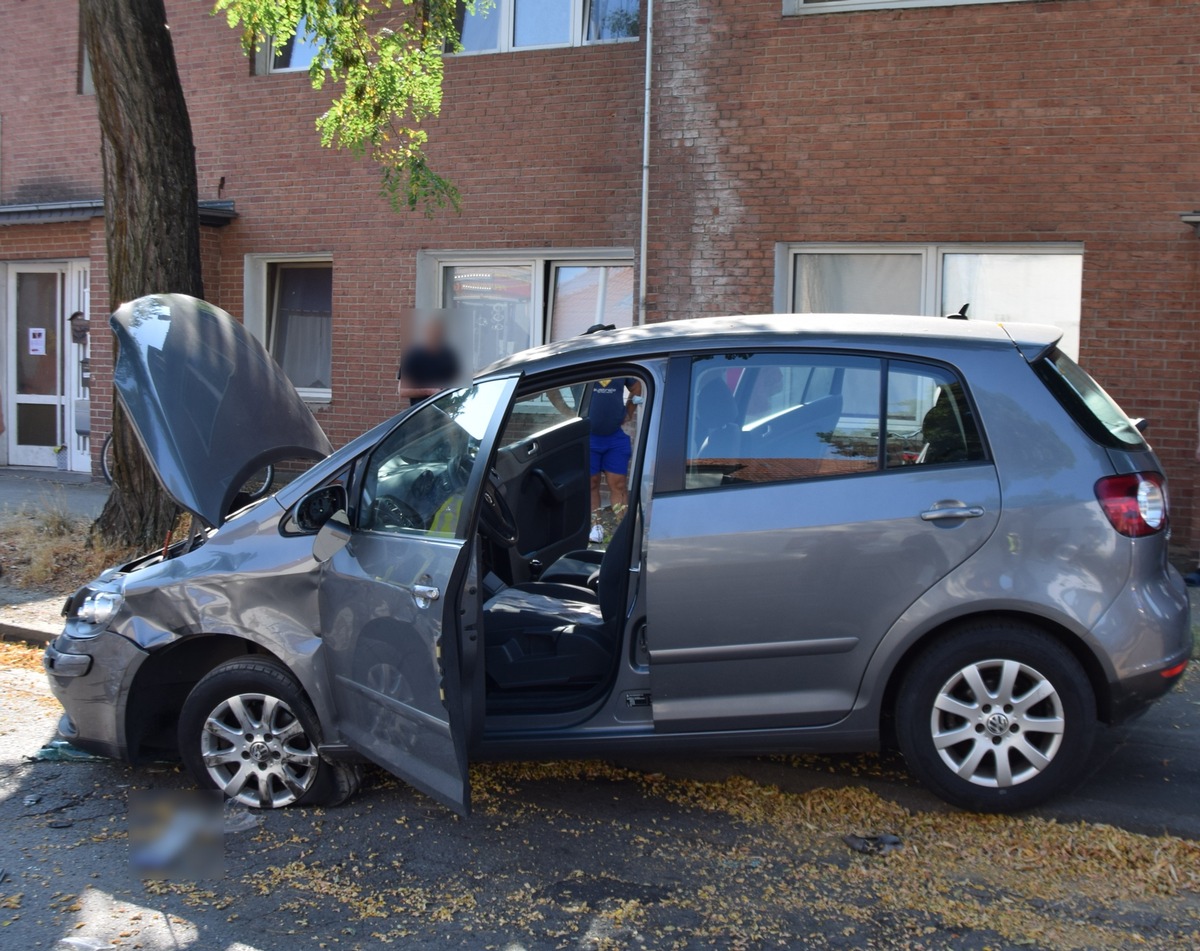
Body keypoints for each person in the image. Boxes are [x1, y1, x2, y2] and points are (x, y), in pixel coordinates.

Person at [587, 374, 643, 543]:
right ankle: (596, 528)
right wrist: (566, 411)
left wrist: (628, 412)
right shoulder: (584, 365)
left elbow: (637, 387)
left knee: (618, 484)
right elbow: (554, 393)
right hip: (588, 437)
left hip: (614, 438)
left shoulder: (617, 366)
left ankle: (623, 531)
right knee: (591, 483)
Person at [396, 313, 461, 405]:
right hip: (422, 412)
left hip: (447, 411)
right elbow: (402, 391)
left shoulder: (449, 354)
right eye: (432, 330)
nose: (435, 334)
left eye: (439, 331)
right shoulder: (413, 355)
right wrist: (430, 391)